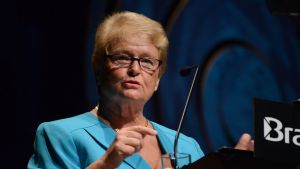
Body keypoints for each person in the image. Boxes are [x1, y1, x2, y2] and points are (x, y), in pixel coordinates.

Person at [27, 11, 253, 169]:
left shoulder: (187, 145)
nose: (135, 69)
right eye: (122, 58)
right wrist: (106, 165)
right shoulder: (59, 135)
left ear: (157, 79)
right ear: (98, 70)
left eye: (147, 61)